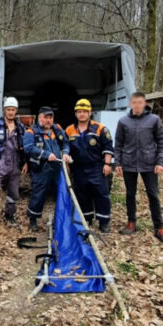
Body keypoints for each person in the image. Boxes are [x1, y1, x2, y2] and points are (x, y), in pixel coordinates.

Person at [114, 91, 163, 245]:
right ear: (130, 104)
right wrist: (118, 163)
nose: (137, 105)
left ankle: (159, 227)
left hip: (149, 164)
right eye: (134, 102)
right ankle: (131, 222)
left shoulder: (154, 120)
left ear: (145, 103)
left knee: (153, 195)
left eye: (140, 102)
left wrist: (160, 162)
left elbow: (162, 142)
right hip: (128, 163)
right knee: (130, 194)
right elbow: (118, 144)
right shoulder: (123, 121)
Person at [65, 99, 114, 233]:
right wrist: (67, 162)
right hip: (78, 168)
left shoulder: (100, 128)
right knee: (82, 193)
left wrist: (108, 164)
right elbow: (65, 148)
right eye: (79, 112)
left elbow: (108, 146)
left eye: (84, 112)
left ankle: (104, 221)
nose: (82, 114)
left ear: (90, 113)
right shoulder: (69, 130)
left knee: (101, 193)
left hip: (97, 167)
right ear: (75, 114)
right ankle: (86, 218)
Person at [0, 97, 27, 231]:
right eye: (8, 109)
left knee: (13, 193)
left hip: (15, 163)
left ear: (16, 111)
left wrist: (25, 163)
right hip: (0, 162)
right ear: (4, 110)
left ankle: (10, 215)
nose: (11, 112)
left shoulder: (20, 127)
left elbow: (25, 146)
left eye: (13, 110)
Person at [23, 106, 71, 232]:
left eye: (50, 117)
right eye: (45, 117)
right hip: (41, 168)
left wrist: (65, 153)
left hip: (57, 168)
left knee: (60, 194)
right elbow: (28, 148)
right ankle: (33, 220)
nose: (48, 120)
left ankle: (59, 221)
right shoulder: (31, 132)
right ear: (39, 118)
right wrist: (46, 154)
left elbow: (65, 142)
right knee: (38, 194)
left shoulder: (58, 129)